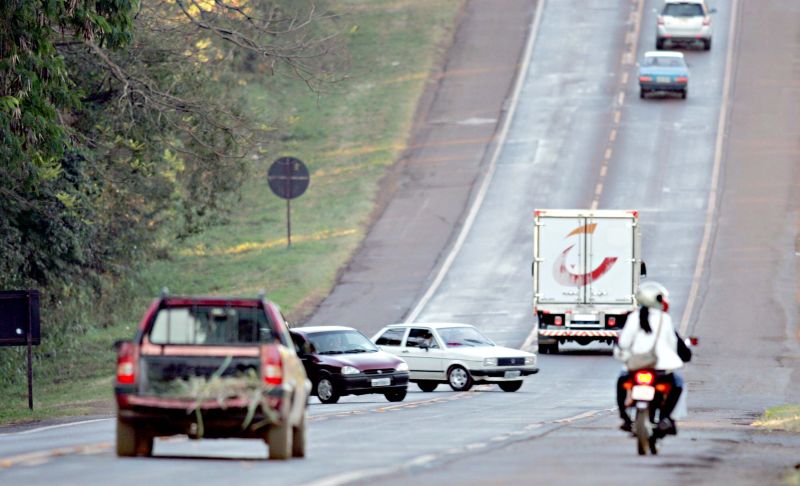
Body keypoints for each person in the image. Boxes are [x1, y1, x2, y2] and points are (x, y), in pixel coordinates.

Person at [613, 281, 692, 435]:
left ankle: (624, 416)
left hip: (636, 365)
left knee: (621, 381)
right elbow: (673, 344)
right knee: (677, 384)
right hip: (660, 368)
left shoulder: (633, 318)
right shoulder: (665, 319)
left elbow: (624, 343)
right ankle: (665, 418)